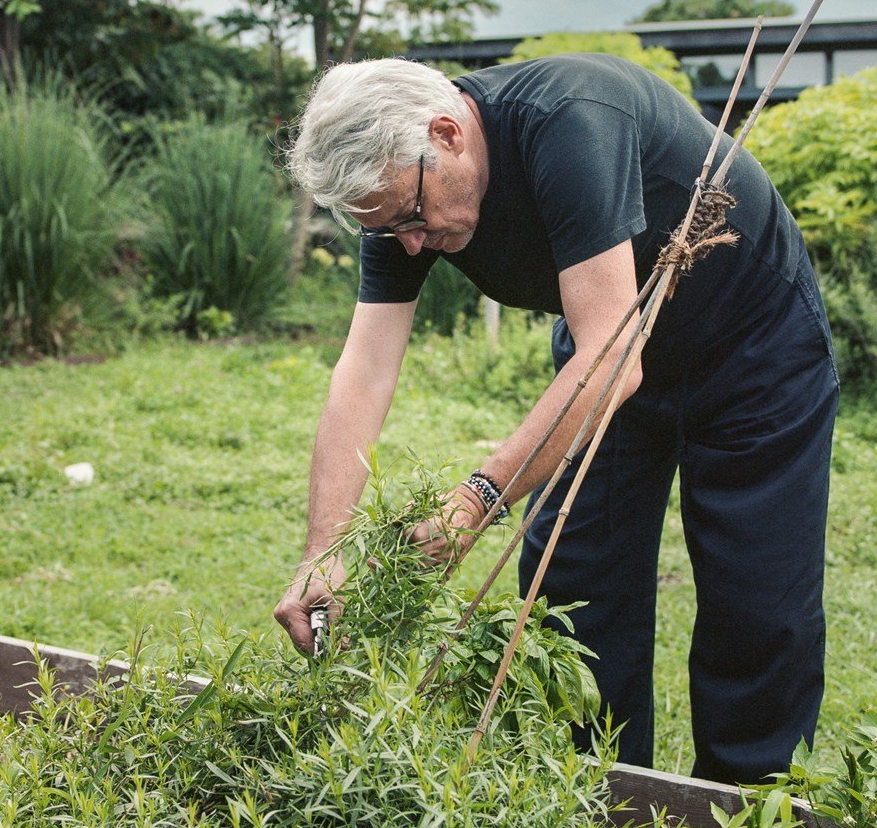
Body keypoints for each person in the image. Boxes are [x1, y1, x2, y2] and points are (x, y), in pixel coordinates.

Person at [272, 54, 838, 785]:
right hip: (606, 335)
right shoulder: (400, 195)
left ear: (447, 134)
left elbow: (612, 361)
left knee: (756, 598)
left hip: (750, 343)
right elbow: (364, 370)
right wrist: (325, 547)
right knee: (573, 577)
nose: (409, 243)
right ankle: (598, 800)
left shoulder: (570, 123)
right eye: (387, 229)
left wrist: (475, 498)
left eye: (410, 218)